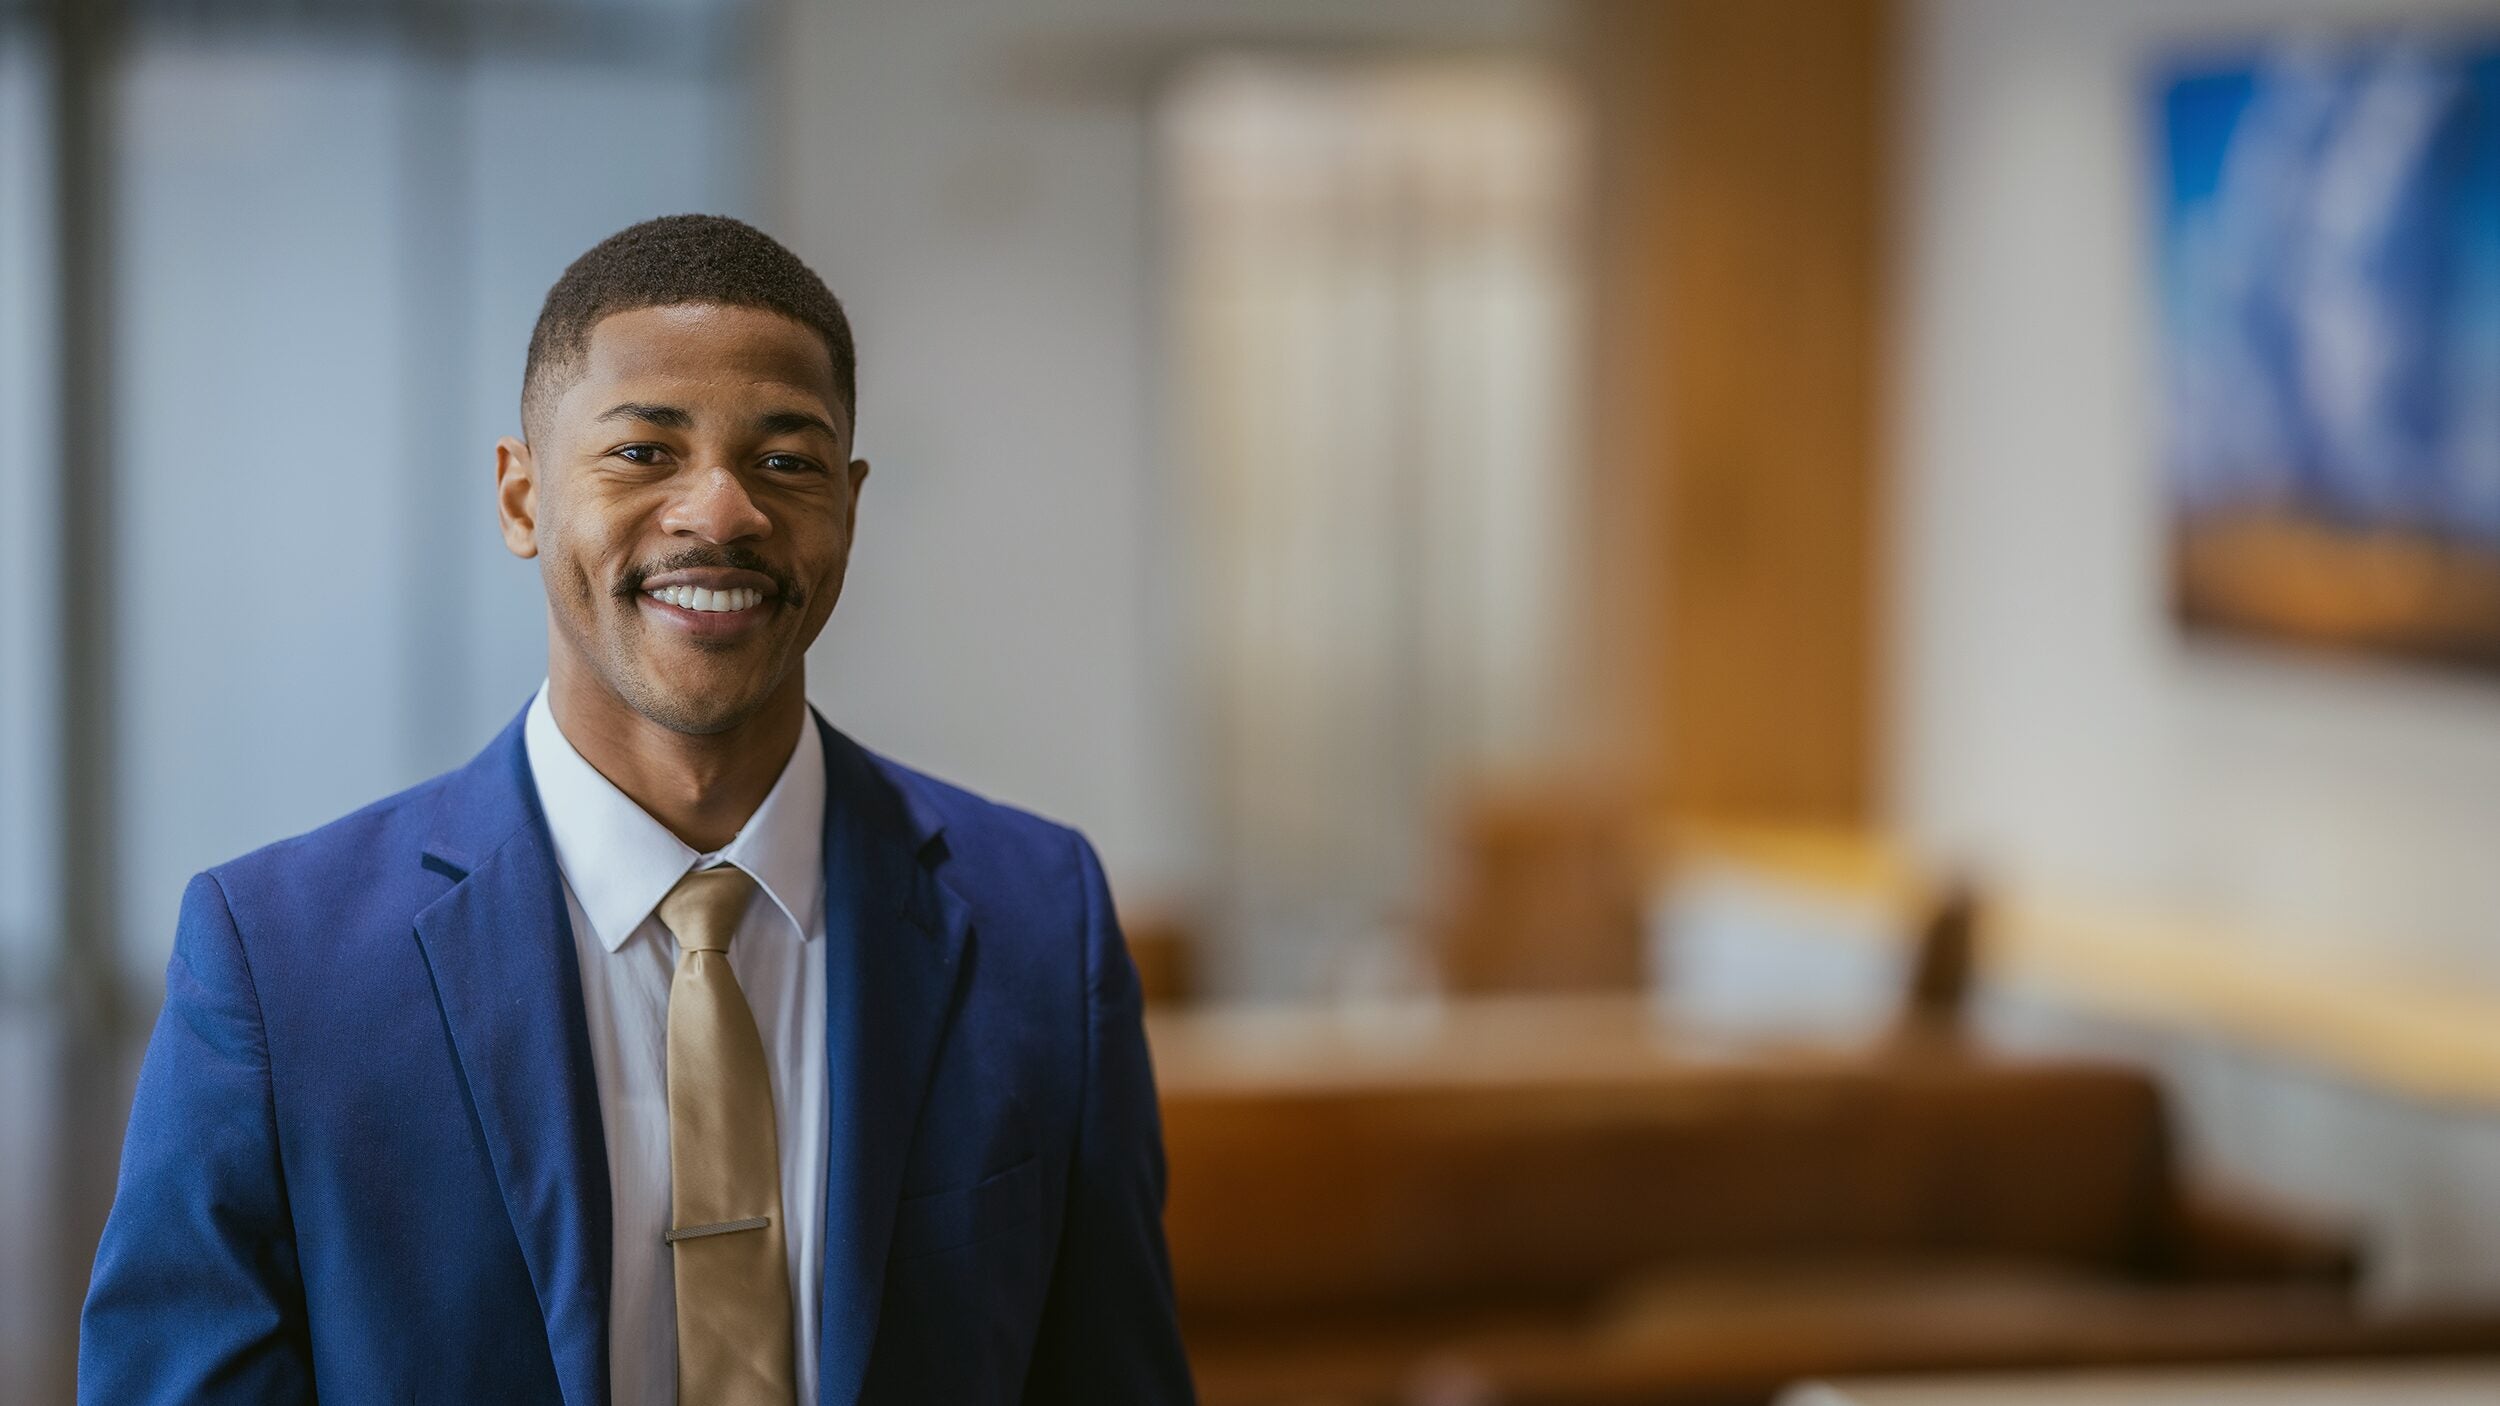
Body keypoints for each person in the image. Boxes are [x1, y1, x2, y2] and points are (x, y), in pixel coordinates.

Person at [79, 215, 1196, 1405]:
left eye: (786, 461)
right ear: (520, 499)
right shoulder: (278, 959)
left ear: (850, 508)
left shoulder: (1042, 920)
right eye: (643, 453)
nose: (719, 512)